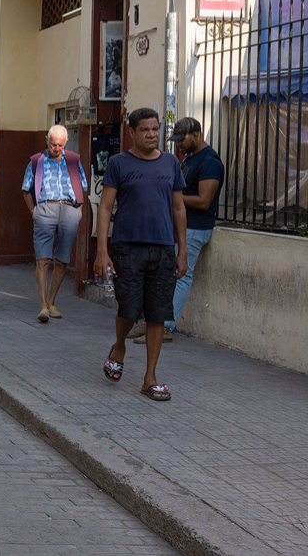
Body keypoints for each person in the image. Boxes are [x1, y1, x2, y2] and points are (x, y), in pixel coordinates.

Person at [96, 107, 188, 402]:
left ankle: (150, 377)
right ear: (132, 132)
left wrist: (182, 249)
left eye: (155, 129)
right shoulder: (119, 163)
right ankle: (119, 346)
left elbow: (178, 208)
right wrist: (102, 251)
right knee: (129, 309)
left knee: (158, 313)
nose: (152, 134)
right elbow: (105, 207)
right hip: (127, 246)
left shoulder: (171, 164)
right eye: (145, 130)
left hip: (162, 248)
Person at [125, 117, 223, 344]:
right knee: (164, 277)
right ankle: (153, 323)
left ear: (197, 135)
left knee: (182, 276)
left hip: (196, 227)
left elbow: (204, 201)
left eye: (182, 139)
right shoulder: (190, 158)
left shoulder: (210, 162)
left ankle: (166, 326)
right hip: (181, 226)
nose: (178, 144)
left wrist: (173, 198)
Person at [22, 125, 88, 323]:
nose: (56, 148)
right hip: (45, 209)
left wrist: (79, 213)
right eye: (53, 144)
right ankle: (43, 305)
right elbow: (26, 189)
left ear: (65, 143)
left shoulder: (74, 161)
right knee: (43, 259)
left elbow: (83, 187)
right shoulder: (36, 161)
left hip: (69, 210)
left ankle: (51, 302)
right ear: (46, 141)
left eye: (60, 145)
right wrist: (34, 212)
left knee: (62, 260)